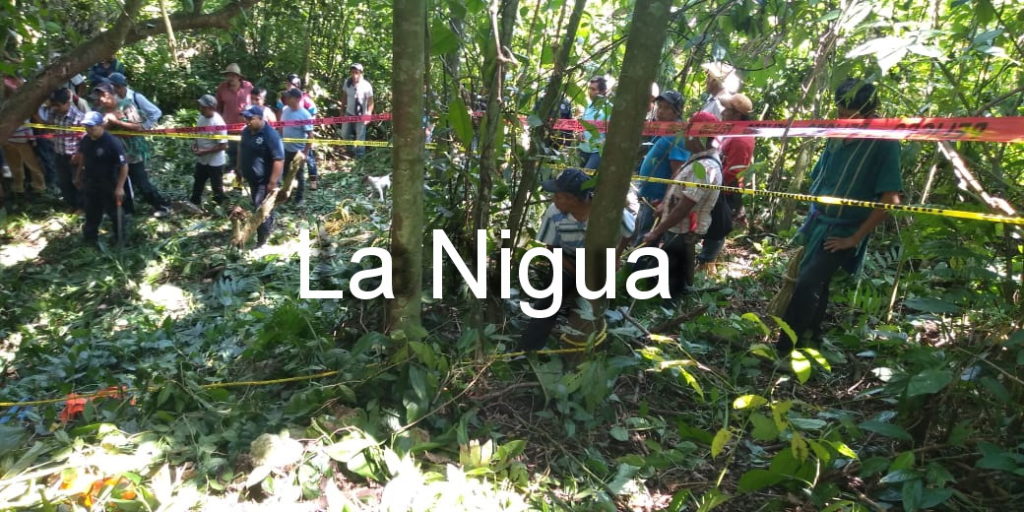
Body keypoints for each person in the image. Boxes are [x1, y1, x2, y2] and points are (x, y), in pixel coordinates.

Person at [776, 79, 902, 354]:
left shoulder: (885, 142)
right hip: (819, 221)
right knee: (817, 280)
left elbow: (890, 199)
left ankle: (784, 349)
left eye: (850, 113)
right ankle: (812, 335)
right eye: (840, 111)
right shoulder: (836, 132)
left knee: (808, 281)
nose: (843, 118)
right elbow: (822, 172)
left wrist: (855, 238)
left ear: (868, 112)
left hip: (844, 230)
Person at [518, 168, 635, 351]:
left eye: (558, 196)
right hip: (567, 259)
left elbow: (629, 231)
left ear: (573, 198)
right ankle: (527, 349)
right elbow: (552, 248)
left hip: (599, 260)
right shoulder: (554, 213)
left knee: (593, 305)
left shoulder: (607, 211)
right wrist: (574, 271)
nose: (553, 200)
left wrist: (616, 255)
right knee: (550, 300)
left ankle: (592, 348)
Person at [641, 111, 723, 299]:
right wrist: (664, 205)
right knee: (664, 273)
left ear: (697, 136)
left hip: (684, 229)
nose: (685, 137)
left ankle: (670, 308)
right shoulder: (697, 159)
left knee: (670, 281)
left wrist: (657, 230)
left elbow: (686, 205)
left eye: (688, 132)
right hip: (677, 227)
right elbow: (682, 191)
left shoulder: (705, 168)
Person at [92, 81, 171, 216]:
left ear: (112, 94)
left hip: (131, 153)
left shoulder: (127, 105)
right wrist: (106, 124)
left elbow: (137, 127)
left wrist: (116, 122)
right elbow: (96, 132)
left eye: (104, 95)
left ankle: (161, 205)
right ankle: (127, 211)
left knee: (141, 182)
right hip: (113, 154)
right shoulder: (100, 112)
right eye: (99, 96)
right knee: (119, 184)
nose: (101, 99)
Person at [698, 93, 757, 264]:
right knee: (709, 223)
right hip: (718, 186)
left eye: (727, 109)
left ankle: (706, 263)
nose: (722, 111)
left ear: (737, 114)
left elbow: (734, 172)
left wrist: (714, 188)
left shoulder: (741, 139)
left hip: (725, 190)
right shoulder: (732, 132)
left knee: (717, 227)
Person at [632, 91, 690, 245]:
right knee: (640, 236)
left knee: (645, 240)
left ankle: (639, 266)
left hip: (657, 199)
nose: (660, 111)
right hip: (648, 195)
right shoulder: (662, 129)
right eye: (659, 106)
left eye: (666, 108)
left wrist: (665, 202)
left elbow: (678, 172)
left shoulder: (678, 135)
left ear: (677, 111)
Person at [75, 111, 128, 246]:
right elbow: (83, 157)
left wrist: (120, 187)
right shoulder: (86, 139)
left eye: (92, 127)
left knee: (115, 213)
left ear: (101, 126)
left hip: (109, 182)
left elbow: (124, 166)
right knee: (91, 211)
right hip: (91, 181)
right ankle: (90, 239)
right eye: (87, 127)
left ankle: (121, 239)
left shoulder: (112, 142)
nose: (89, 130)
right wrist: (78, 175)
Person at [238, 105, 285, 247]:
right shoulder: (246, 132)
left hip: (264, 181)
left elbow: (279, 159)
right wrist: (238, 169)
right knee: (258, 206)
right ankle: (268, 228)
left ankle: (262, 240)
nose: (247, 121)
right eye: (246, 118)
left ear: (260, 118)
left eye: (250, 118)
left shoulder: (270, 135)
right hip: (252, 179)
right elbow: (242, 150)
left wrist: (272, 182)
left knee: (261, 210)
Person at [38, 88, 86, 210]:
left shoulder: (79, 118)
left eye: (58, 105)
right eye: (53, 105)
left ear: (67, 103)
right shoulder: (53, 113)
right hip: (59, 154)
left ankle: (82, 207)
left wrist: (80, 155)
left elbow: (85, 140)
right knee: (64, 182)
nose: (55, 108)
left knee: (78, 181)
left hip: (74, 156)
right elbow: (50, 129)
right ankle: (72, 205)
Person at [1, 77, 46, 202]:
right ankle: (18, 189)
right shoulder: (5, 103)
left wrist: (32, 138)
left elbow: (31, 118)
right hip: (9, 140)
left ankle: (39, 189)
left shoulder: (25, 101)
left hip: (24, 139)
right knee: (15, 167)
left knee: (33, 166)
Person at [276, 75, 319, 189]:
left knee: (304, 166)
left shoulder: (305, 103)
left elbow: (313, 113)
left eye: (292, 84)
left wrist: (309, 124)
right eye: (288, 84)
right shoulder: (285, 106)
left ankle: (308, 186)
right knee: (286, 170)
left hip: (300, 145)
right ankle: (286, 191)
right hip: (287, 145)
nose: (289, 86)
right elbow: (281, 121)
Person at [216, 63, 254, 178]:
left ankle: (244, 175)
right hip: (228, 126)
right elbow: (218, 107)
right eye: (228, 75)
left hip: (245, 126)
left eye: (233, 75)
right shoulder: (222, 88)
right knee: (231, 151)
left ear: (239, 76)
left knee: (245, 152)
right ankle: (233, 177)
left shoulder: (248, 87)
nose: (230, 78)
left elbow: (255, 102)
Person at [191, 95, 229, 206]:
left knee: (216, 187)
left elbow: (223, 145)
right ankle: (194, 204)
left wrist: (204, 151)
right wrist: (195, 144)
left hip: (215, 162)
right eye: (200, 106)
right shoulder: (201, 117)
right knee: (198, 182)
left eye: (203, 107)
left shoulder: (218, 123)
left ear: (211, 108)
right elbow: (198, 134)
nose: (201, 108)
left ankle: (220, 209)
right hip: (202, 159)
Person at [280, 88, 314, 204]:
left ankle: (299, 198)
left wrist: (305, 153)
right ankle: (286, 196)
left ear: (297, 99)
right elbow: (281, 127)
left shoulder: (305, 115)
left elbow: (310, 136)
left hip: (298, 150)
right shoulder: (285, 110)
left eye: (289, 97)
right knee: (285, 173)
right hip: (286, 148)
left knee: (299, 175)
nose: (287, 99)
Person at [340, 63, 374, 158]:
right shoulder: (348, 83)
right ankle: (350, 150)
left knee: (360, 136)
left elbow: (371, 102)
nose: (354, 75)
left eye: (357, 72)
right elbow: (344, 96)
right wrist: (342, 110)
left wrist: (369, 114)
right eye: (353, 72)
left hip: (361, 115)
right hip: (349, 113)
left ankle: (360, 157)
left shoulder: (367, 86)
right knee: (344, 134)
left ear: (361, 73)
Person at [578, 76, 612, 170]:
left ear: (602, 92)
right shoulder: (587, 106)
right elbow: (582, 124)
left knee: (586, 177)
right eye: (589, 88)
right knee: (576, 177)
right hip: (583, 149)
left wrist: (604, 143)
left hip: (597, 152)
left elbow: (613, 133)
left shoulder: (608, 109)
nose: (590, 92)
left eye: (593, 89)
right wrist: (580, 132)